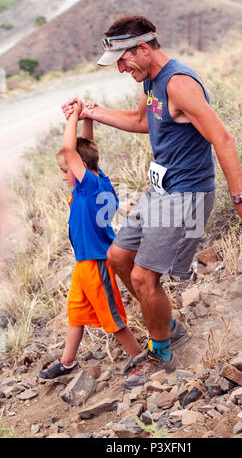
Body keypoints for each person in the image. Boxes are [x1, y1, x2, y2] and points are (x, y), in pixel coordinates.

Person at [61, 15, 242, 388]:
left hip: (186, 194)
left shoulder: (179, 84)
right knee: (118, 257)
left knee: (143, 277)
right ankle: (168, 325)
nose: (122, 69)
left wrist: (240, 199)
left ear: (143, 48)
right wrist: (91, 112)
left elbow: (222, 138)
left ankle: (161, 352)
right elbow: (143, 120)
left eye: (124, 61)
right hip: (160, 191)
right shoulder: (152, 82)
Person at [39, 100, 142, 380]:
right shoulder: (99, 178)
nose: (63, 177)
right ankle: (68, 361)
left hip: (97, 262)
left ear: (80, 167)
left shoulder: (88, 186)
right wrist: (87, 119)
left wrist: (72, 116)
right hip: (83, 263)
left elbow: (72, 150)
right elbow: (86, 148)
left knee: (113, 318)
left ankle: (141, 359)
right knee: (75, 313)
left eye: (65, 170)